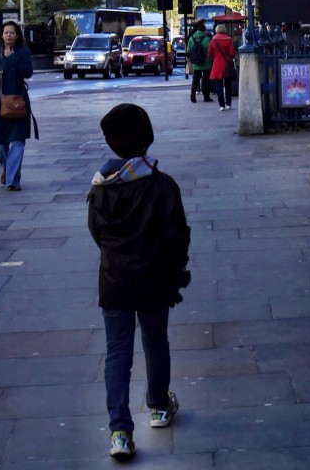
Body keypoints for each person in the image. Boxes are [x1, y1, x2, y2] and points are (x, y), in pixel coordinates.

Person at [87, 103, 191, 461]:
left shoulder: (101, 188)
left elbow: (97, 233)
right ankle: (159, 407)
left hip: (114, 279)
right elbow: (176, 236)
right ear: (146, 138)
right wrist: (175, 267)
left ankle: (119, 431)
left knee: (117, 352)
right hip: (152, 277)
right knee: (155, 341)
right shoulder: (162, 186)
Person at [0, 20, 34, 191]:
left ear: (17, 35)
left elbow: (28, 72)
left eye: (12, 32)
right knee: (1, 144)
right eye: (6, 32)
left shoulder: (23, 52)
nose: (9, 35)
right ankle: (7, 170)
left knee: (18, 142)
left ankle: (13, 181)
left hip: (19, 104)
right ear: (2, 35)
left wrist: (13, 59)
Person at [207, 23, 237, 112]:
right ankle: (228, 103)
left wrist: (215, 57)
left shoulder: (213, 40)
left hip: (217, 64)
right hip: (227, 64)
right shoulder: (229, 40)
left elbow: (209, 54)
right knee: (228, 85)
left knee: (219, 85)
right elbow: (232, 52)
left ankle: (221, 105)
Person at [186, 19, 212, 103]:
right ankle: (206, 96)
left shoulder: (191, 39)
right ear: (204, 30)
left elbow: (188, 50)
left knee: (195, 79)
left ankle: (193, 95)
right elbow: (210, 51)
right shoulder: (207, 39)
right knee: (205, 80)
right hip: (206, 63)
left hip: (196, 64)